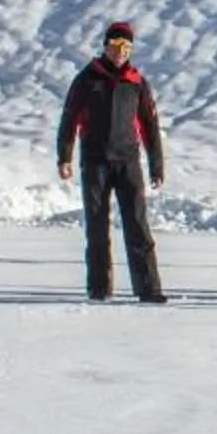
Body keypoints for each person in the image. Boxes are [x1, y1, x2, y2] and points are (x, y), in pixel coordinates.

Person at [56, 20, 168, 302]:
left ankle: (149, 289)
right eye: (116, 46)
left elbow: (149, 127)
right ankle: (99, 288)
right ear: (106, 46)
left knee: (138, 225)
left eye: (127, 47)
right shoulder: (87, 79)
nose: (121, 52)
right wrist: (64, 156)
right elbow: (69, 119)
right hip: (95, 161)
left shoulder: (137, 83)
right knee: (97, 226)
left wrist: (156, 166)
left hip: (128, 162)